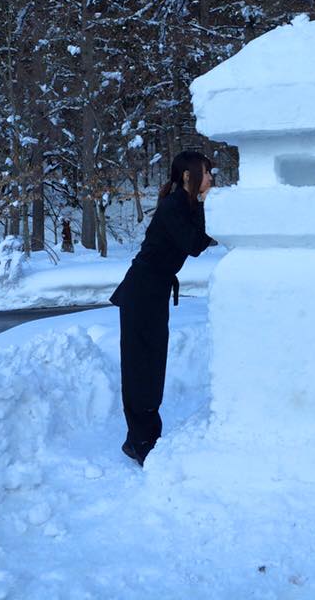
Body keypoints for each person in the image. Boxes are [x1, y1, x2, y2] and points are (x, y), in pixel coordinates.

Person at [109, 150, 214, 466]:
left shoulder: (184, 204)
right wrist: (207, 204)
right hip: (141, 291)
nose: (210, 178)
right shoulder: (173, 206)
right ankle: (139, 442)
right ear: (187, 175)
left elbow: (197, 238)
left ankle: (146, 437)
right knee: (141, 365)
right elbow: (195, 244)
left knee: (152, 363)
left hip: (154, 291)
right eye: (206, 172)